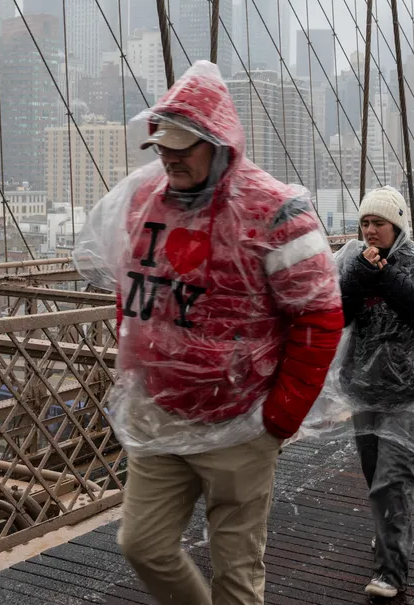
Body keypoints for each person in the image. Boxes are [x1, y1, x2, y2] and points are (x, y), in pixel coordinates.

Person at [74, 61, 344, 605]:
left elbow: (319, 314)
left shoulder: (275, 211)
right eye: (162, 147)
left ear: (219, 143)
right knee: (142, 544)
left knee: (237, 574)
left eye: (183, 146)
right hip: (159, 416)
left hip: (240, 424)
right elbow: (128, 285)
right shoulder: (141, 201)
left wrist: (279, 417)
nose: (169, 155)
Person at [336, 186, 414, 600]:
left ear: (398, 226)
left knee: (392, 479)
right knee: (375, 475)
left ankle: (390, 572)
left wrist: (387, 277)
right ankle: (389, 533)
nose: (370, 231)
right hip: (366, 386)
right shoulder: (353, 262)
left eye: (379, 223)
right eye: (365, 223)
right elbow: (336, 315)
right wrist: (359, 277)